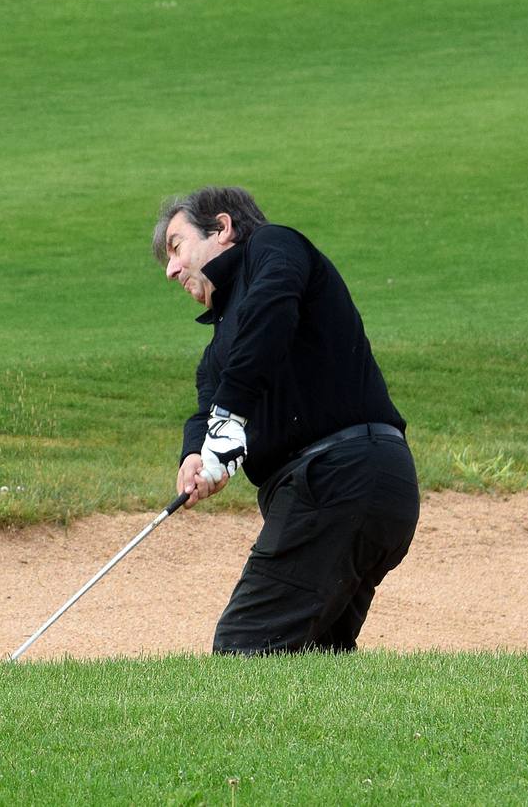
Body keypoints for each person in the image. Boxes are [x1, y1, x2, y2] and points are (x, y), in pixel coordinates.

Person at [153, 186, 420, 654]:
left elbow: (271, 308)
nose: (172, 269)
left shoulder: (274, 247)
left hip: (340, 476)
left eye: (176, 248)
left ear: (223, 228)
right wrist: (196, 453)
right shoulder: (219, 347)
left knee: (245, 648)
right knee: (315, 656)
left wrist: (231, 415)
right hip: (353, 486)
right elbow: (207, 405)